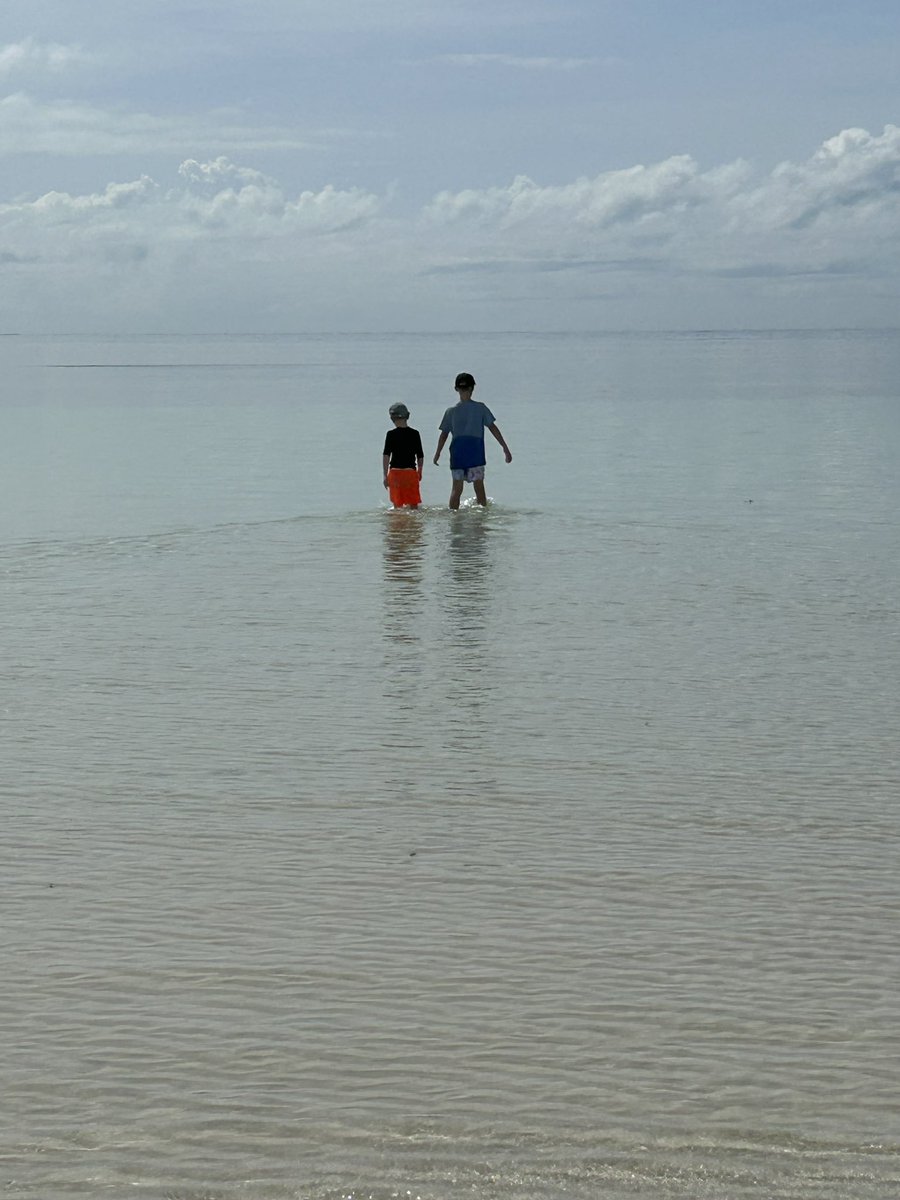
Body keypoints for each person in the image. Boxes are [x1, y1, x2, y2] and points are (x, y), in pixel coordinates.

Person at [433, 372, 512, 509]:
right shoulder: (480, 408)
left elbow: (444, 434)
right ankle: (481, 520)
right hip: (475, 454)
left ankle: (454, 520)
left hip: (457, 455)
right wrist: (504, 447)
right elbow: (493, 428)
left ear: (456, 389)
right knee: (479, 488)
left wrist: (438, 453)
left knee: (456, 490)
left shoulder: (450, 411)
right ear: (472, 388)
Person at [382, 402, 424, 508]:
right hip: (410, 473)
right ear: (407, 416)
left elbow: (386, 455)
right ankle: (413, 524)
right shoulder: (415, 434)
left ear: (392, 418)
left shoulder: (390, 434)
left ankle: (398, 524)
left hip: (395, 473)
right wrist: (420, 471)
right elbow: (420, 455)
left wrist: (385, 475)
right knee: (413, 507)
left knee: (398, 507)